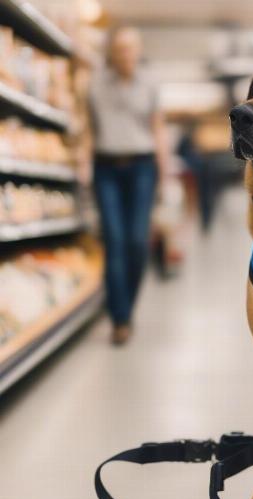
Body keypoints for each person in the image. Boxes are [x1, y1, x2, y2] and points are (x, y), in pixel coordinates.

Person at [80, 26, 169, 345]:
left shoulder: (150, 82)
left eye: (131, 49)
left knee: (136, 241)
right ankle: (120, 319)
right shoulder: (95, 84)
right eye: (120, 50)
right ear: (112, 54)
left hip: (142, 167)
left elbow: (158, 128)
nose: (126, 56)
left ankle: (126, 306)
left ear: (138, 50)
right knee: (115, 240)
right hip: (106, 167)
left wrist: (164, 171)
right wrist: (84, 165)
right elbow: (90, 128)